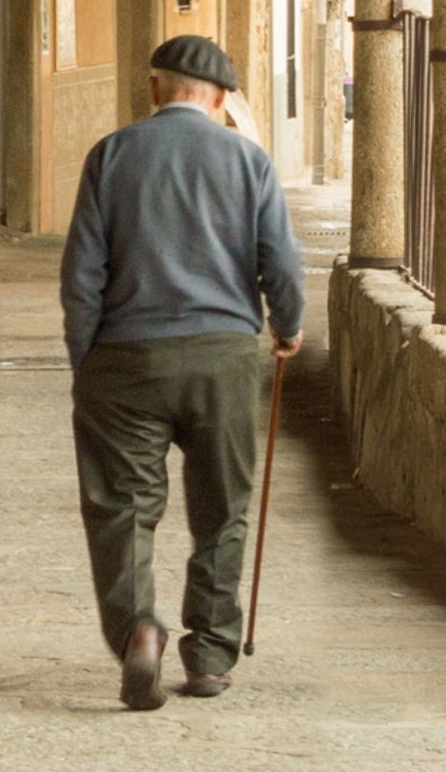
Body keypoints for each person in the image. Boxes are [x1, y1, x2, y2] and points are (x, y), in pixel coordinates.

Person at [60, 35, 305, 711]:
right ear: (222, 99)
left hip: (124, 358)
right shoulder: (248, 162)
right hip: (222, 357)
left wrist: (88, 359)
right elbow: (280, 262)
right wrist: (287, 325)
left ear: (153, 89)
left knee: (121, 509)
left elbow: (82, 273)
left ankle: (138, 631)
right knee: (222, 509)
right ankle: (211, 656)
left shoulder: (110, 155)